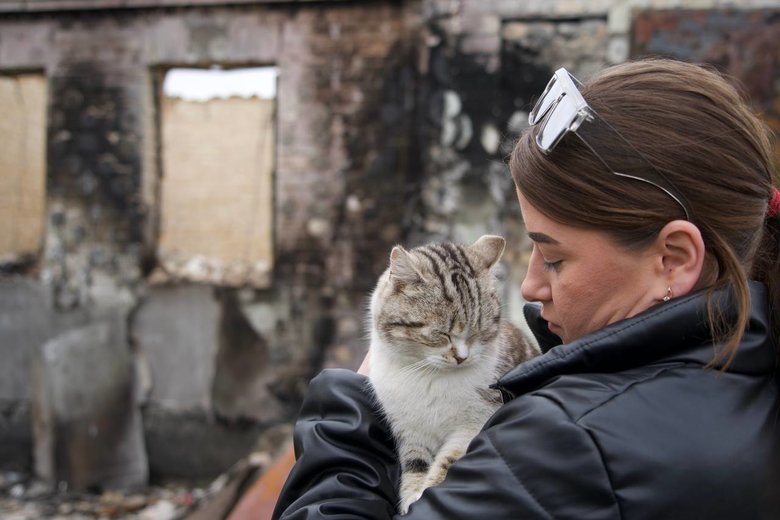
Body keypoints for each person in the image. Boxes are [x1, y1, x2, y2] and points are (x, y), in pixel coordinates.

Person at [271, 59, 780, 519]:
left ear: (673, 259)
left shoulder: (567, 445)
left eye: (554, 258)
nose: (532, 287)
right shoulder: (749, 371)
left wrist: (351, 418)